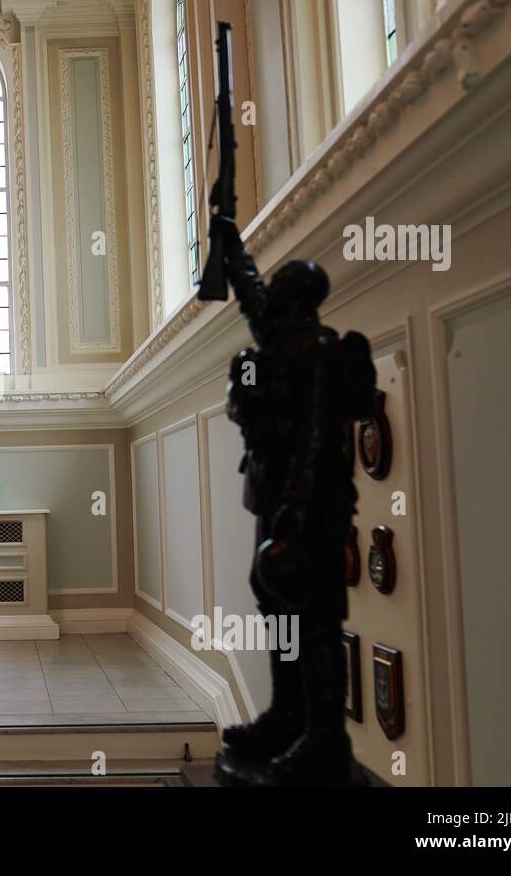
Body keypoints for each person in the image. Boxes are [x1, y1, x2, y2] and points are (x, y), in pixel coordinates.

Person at [209, 215, 377, 785]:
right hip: (272, 498)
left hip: (309, 507)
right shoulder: (279, 339)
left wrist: (298, 511)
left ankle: (325, 737)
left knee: (317, 620)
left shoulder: (320, 350)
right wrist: (229, 242)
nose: (269, 295)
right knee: (275, 605)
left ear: (299, 299)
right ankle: (288, 715)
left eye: (280, 288)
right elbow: (249, 292)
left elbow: (316, 440)